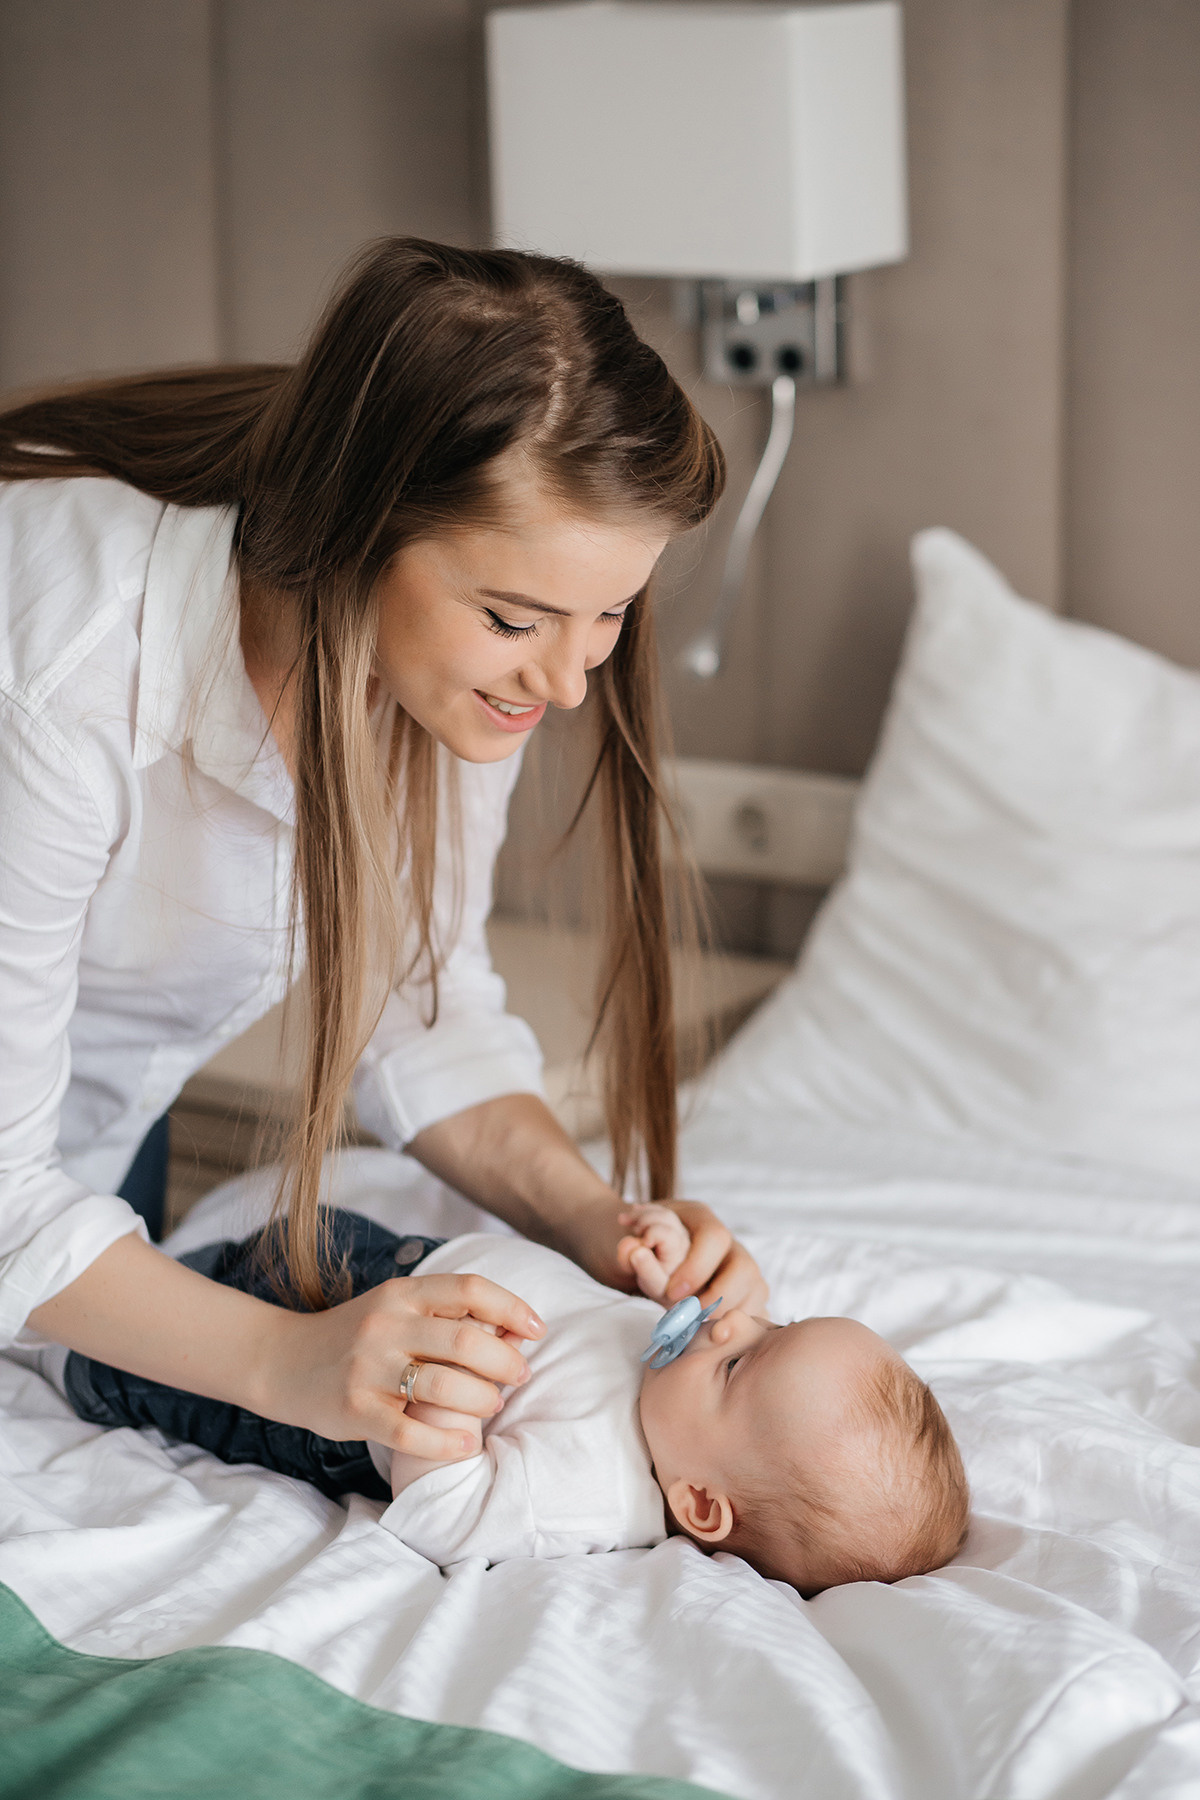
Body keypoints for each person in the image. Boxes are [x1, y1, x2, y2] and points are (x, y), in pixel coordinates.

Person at [0, 237, 767, 1478]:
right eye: (517, 619)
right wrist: (284, 1367)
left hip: (71, 1143)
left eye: (613, 614)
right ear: (354, 531)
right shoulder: (55, 677)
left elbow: (416, 1007)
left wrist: (597, 1224)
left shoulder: (466, 670)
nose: (570, 682)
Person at [55, 1204, 970, 1595]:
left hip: (322, 1385)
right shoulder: (679, 1394)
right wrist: (656, 1259)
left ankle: (69, 1354)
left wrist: (446, 1420)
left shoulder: (587, 1489)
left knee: (162, 1350)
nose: (733, 1323)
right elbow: (644, 1325)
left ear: (698, 1503)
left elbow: (445, 1516)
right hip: (392, 1262)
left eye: (743, 1365)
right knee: (202, 1262)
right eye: (777, 1324)